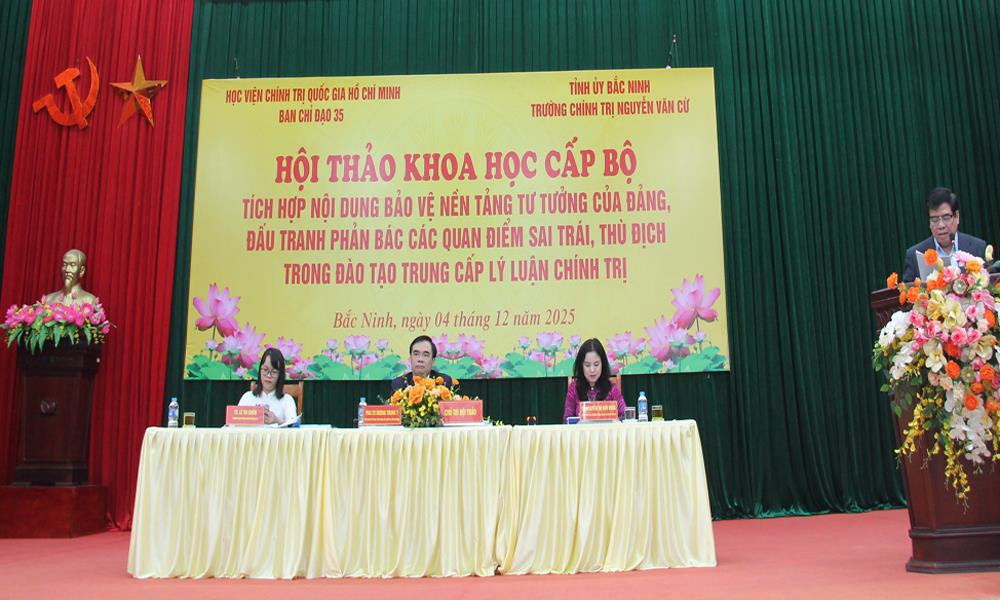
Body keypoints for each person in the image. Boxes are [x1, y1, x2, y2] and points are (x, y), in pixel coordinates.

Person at [901, 187, 988, 282]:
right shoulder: (914, 256)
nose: (941, 225)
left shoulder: (978, 248)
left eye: (946, 217)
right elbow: (907, 290)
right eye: (935, 219)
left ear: (957, 217)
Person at [564, 338, 626, 422]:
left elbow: (625, 416)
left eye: (596, 364)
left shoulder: (611, 389)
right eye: (587, 365)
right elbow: (567, 420)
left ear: (603, 364)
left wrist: (615, 420)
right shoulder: (574, 389)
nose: (592, 370)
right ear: (581, 366)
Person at [237, 347, 298, 426]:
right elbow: (234, 426)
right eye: (265, 370)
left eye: (274, 372)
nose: (268, 376)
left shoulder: (287, 400)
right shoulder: (247, 397)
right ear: (260, 371)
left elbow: (294, 428)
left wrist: (277, 420)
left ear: (280, 375)